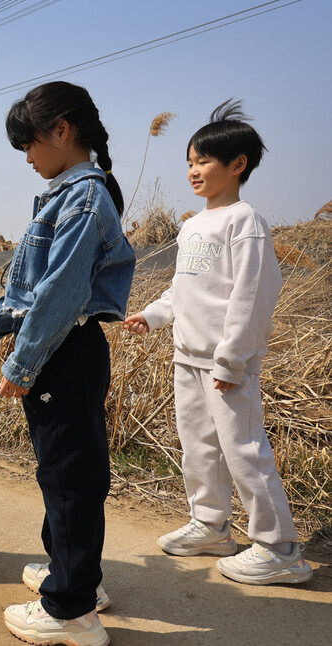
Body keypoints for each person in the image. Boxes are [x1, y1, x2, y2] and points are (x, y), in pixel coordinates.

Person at [0, 81, 134, 646]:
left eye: (29, 145)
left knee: (69, 477)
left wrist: (23, 362)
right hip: (62, 345)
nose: (28, 158)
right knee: (65, 471)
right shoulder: (66, 194)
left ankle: (72, 612)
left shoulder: (82, 199)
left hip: (64, 348)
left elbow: (59, 294)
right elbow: (28, 290)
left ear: (61, 131)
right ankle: (74, 576)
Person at [124, 100, 312, 585]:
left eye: (203, 161)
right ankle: (211, 526)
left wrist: (231, 361)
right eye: (189, 162)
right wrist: (154, 314)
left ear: (238, 165)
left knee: (245, 451)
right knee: (199, 449)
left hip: (226, 366)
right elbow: (183, 288)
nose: (193, 171)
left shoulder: (245, 222)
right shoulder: (192, 225)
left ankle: (281, 549)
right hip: (187, 358)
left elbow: (252, 296)